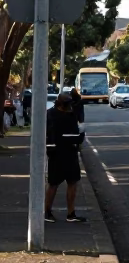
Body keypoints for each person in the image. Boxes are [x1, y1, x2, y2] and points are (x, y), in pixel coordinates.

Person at [44, 93, 86, 223]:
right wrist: (79, 137)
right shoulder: (57, 116)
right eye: (68, 105)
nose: (70, 107)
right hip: (58, 153)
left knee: (71, 182)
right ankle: (48, 212)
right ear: (61, 104)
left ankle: (70, 213)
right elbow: (73, 134)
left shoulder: (51, 113)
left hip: (65, 153)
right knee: (54, 184)